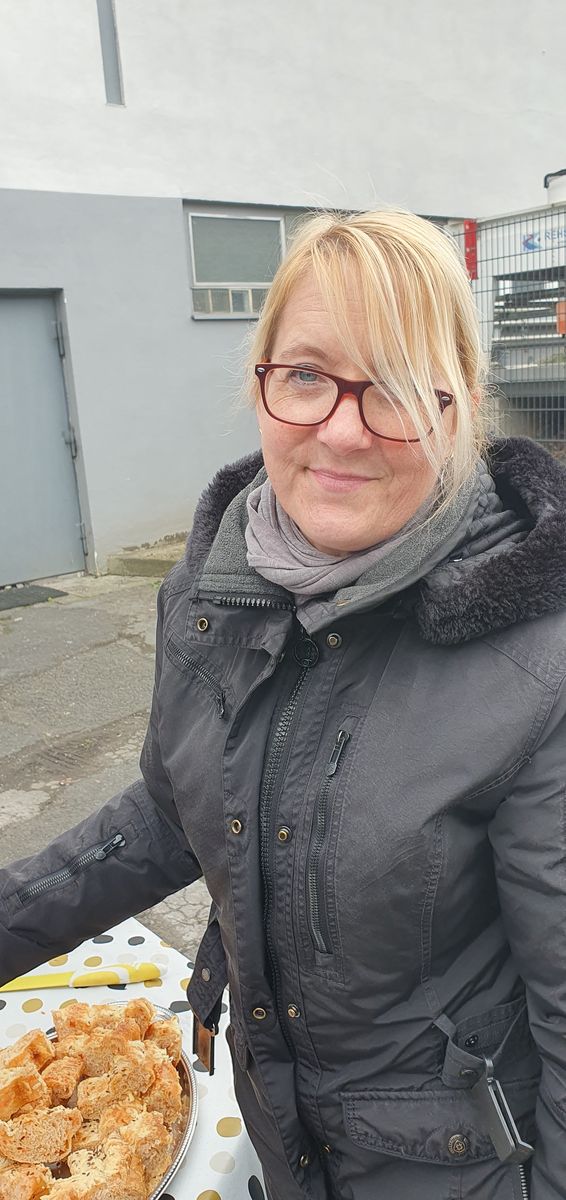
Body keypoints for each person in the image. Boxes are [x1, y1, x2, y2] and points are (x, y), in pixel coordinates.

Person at [1, 209, 566, 1200]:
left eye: (394, 385)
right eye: (306, 374)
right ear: (261, 383)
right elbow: (173, 812)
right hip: (278, 1124)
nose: (340, 428)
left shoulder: (536, 663)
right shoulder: (212, 592)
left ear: (461, 408)